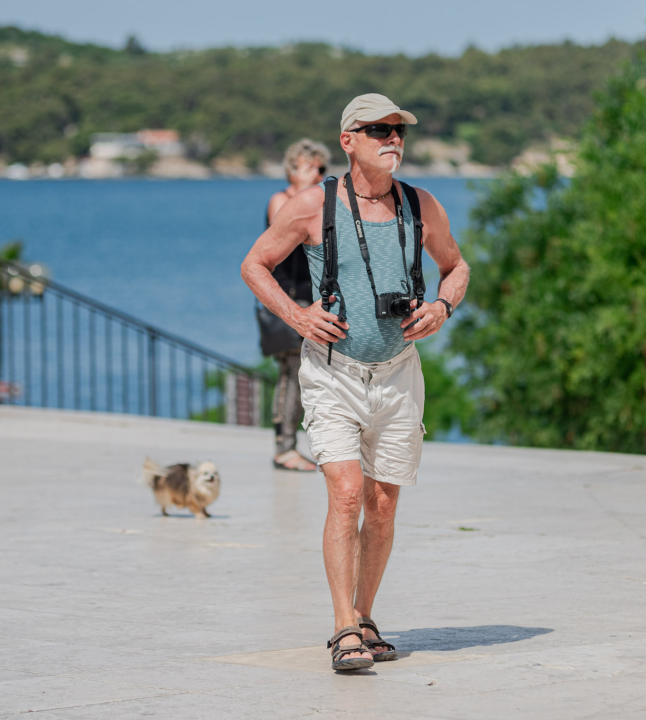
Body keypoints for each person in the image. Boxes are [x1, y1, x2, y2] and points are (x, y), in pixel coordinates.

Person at [241, 94, 470, 670]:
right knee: (346, 495)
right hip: (332, 372)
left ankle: (365, 616)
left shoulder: (422, 206)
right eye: (378, 130)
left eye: (398, 131)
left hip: (398, 374)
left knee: (383, 504)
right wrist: (296, 315)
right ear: (348, 141)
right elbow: (255, 264)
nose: (392, 138)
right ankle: (343, 626)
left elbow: (457, 266)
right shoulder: (312, 206)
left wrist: (443, 306)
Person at [260, 139, 331, 472]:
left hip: (315, 299)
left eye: (321, 169)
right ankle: (284, 447)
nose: (317, 174)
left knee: (312, 373)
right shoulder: (282, 201)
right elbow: (287, 239)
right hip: (290, 300)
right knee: (291, 371)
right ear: (291, 169)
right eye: (309, 167)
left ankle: (313, 443)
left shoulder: (318, 205)